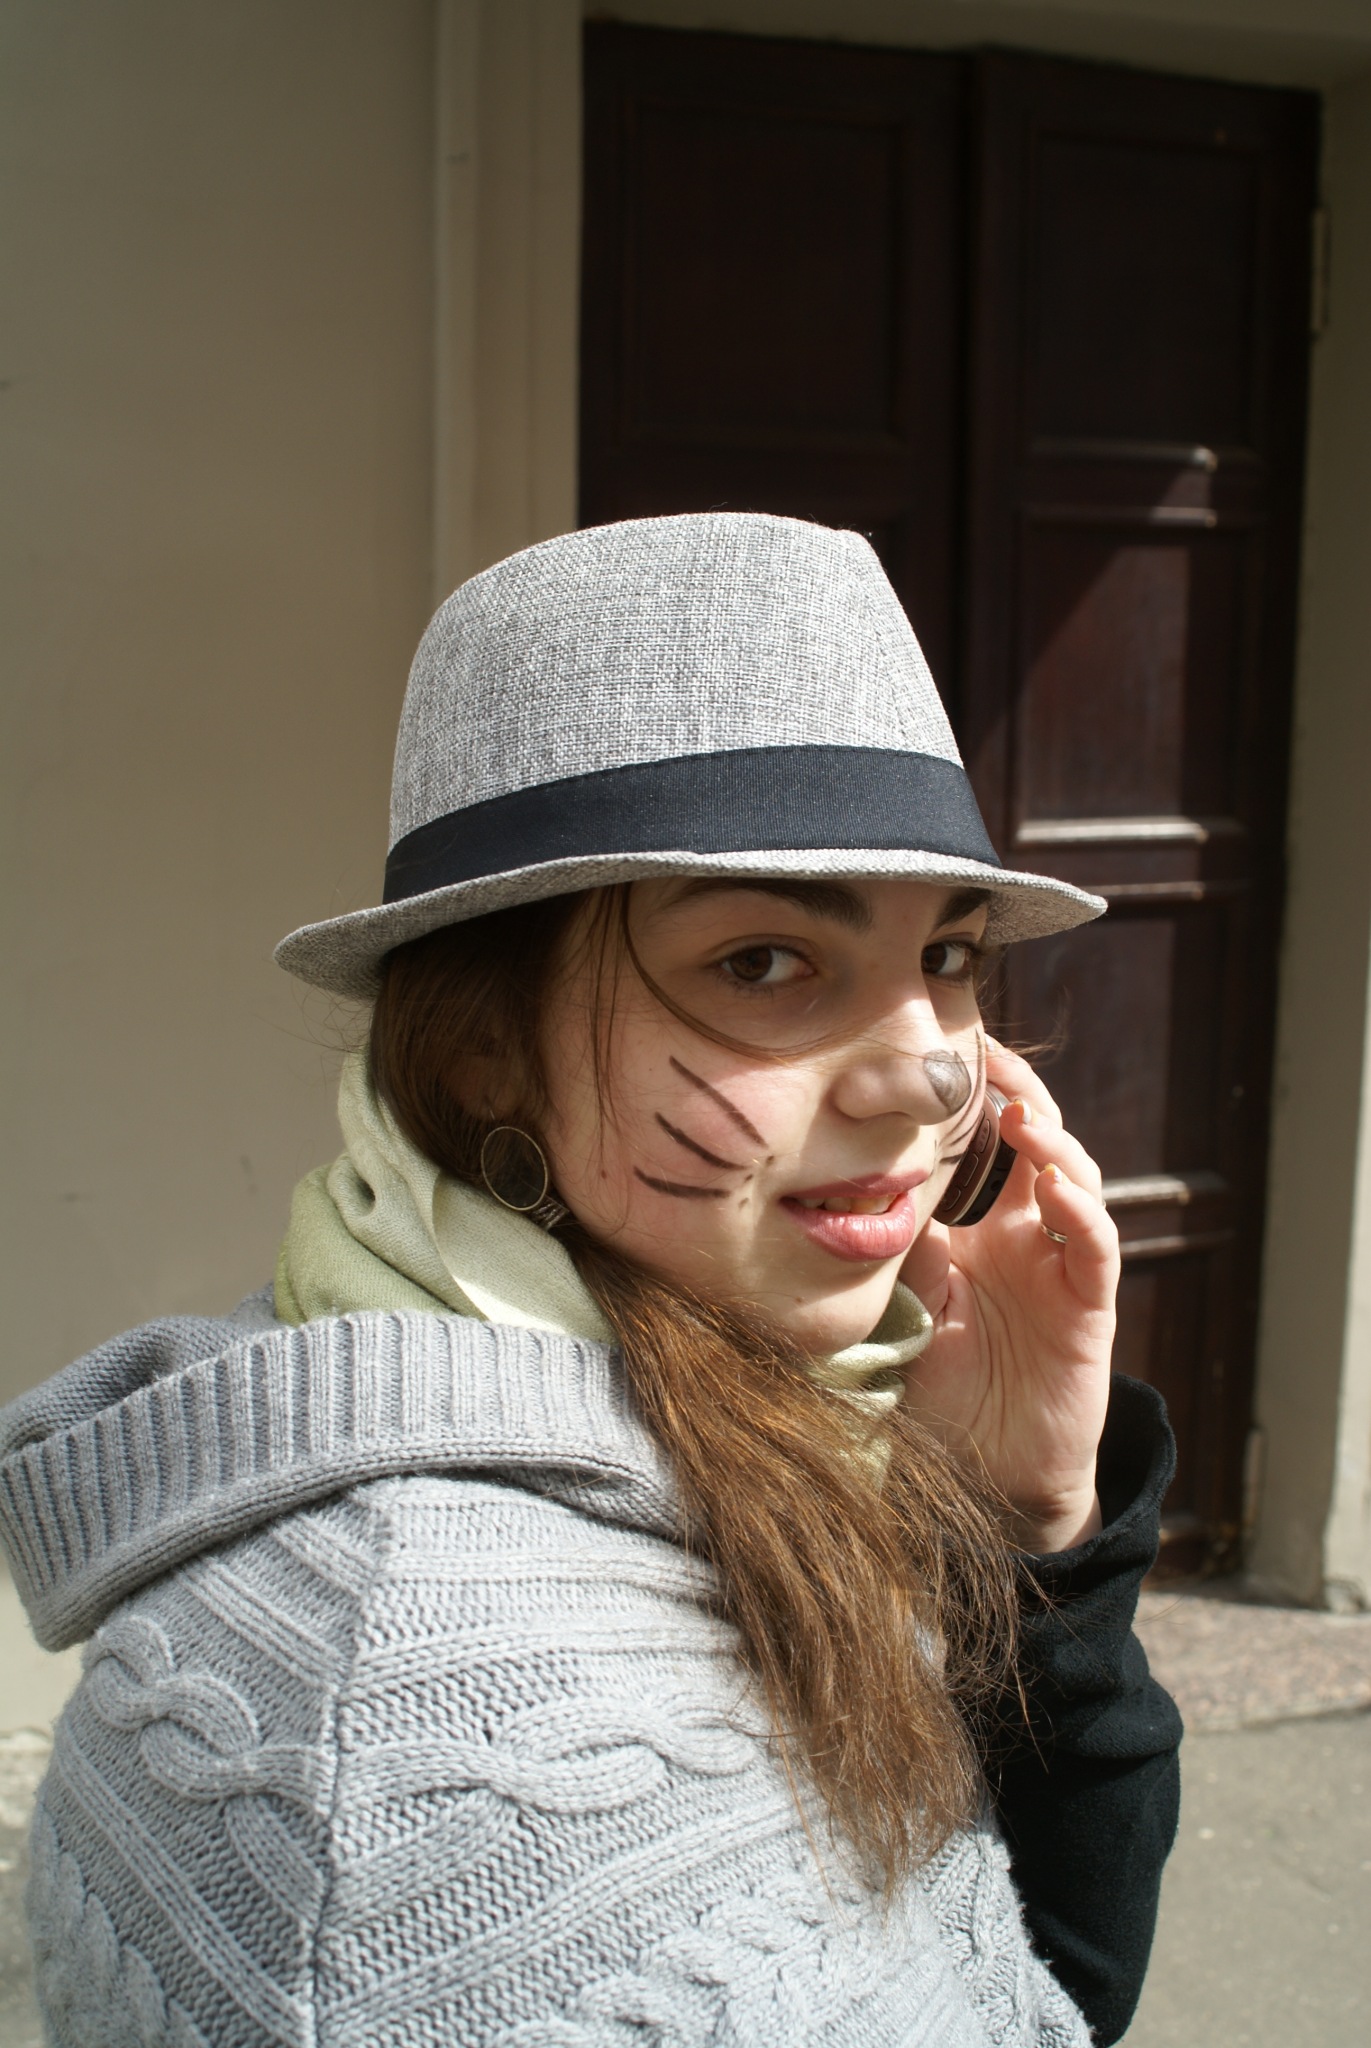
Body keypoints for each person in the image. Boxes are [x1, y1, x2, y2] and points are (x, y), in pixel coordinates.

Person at [0, 514, 1181, 2048]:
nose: (932, 1075)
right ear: (485, 1050)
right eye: (764, 963)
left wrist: (1033, 1534)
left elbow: (1024, 1989)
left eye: (949, 959)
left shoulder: (750, 1422)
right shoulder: (421, 1728)